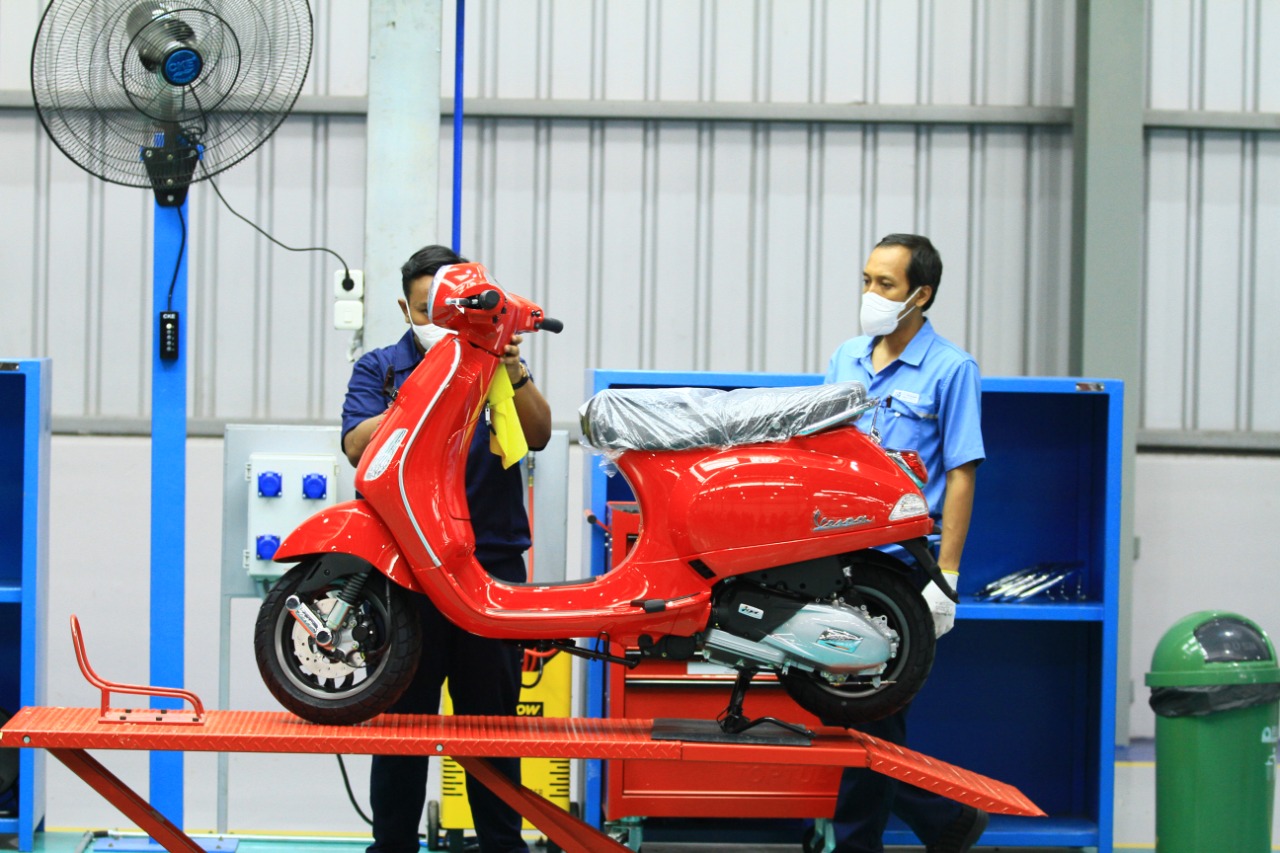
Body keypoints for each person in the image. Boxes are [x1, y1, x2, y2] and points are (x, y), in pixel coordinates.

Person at [342, 244, 551, 853]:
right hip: (406, 573)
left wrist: (512, 368)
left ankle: (502, 846)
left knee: (491, 727)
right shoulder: (383, 369)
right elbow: (356, 445)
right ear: (404, 309)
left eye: (450, 309)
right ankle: (392, 846)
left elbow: (538, 434)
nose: (439, 321)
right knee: (402, 725)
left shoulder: (497, 365)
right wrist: (424, 391)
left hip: (490, 567)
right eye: (424, 310)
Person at [822, 234, 987, 853]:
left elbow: (963, 472)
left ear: (921, 295)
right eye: (867, 280)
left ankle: (869, 840)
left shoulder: (951, 369)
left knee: (870, 708)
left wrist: (947, 576)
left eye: (885, 284)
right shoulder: (846, 358)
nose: (871, 293)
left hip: (900, 567)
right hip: (839, 556)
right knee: (844, 703)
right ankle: (943, 818)